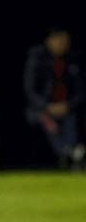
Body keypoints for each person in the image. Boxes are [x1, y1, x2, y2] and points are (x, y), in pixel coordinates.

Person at [24, 26, 85, 168]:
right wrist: (47, 106)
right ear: (50, 41)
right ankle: (68, 152)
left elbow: (80, 91)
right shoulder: (37, 58)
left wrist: (68, 105)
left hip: (67, 108)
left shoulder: (73, 59)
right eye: (60, 41)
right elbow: (30, 90)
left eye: (66, 41)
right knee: (49, 123)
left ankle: (69, 153)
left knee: (70, 121)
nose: (63, 44)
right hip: (42, 110)